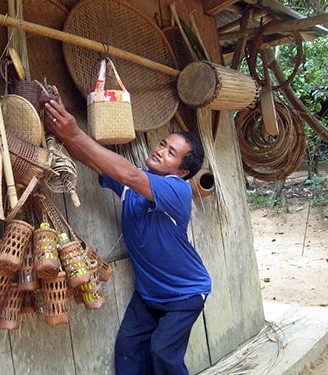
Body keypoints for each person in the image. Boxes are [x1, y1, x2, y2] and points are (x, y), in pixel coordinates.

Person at [44, 86, 211, 375]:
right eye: (162, 144)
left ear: (182, 171)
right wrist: (62, 128)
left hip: (184, 294)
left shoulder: (177, 190)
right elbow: (90, 159)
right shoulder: (135, 185)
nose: (159, 151)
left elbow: (129, 173)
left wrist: (74, 132)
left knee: (163, 354)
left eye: (171, 153)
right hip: (148, 294)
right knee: (128, 354)